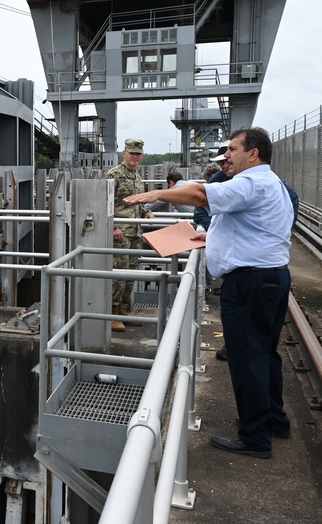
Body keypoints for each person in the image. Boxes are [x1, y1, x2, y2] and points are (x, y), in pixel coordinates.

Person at [123, 127, 294, 459]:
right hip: (270, 278)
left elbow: (202, 196)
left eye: (232, 149)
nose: (226, 155)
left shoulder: (251, 182)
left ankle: (256, 436)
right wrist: (210, 240)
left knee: (247, 357)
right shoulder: (272, 184)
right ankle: (274, 420)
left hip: (250, 283)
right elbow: (250, 229)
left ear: (253, 153)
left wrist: (156, 194)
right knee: (264, 354)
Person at [103, 138, 154, 332]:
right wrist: (113, 227)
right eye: (132, 153)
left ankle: (123, 310)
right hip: (120, 234)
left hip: (134, 233)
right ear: (124, 153)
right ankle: (112, 313)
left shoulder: (136, 176)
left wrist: (146, 212)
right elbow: (103, 203)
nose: (135, 157)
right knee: (118, 274)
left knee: (130, 274)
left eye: (138, 154)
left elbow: (137, 201)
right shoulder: (113, 175)